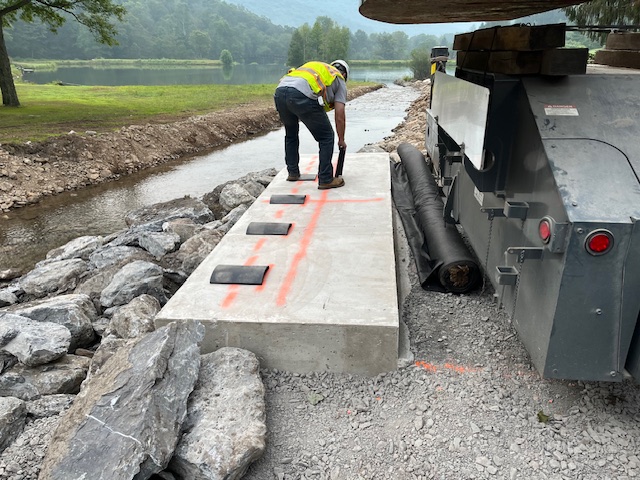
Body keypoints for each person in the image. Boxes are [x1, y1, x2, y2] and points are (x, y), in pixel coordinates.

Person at [273, 60, 349, 190]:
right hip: (300, 94)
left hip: (280, 93)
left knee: (291, 134)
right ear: (344, 74)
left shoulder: (318, 68)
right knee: (326, 137)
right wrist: (341, 139)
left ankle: (293, 172)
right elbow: (340, 115)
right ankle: (326, 179)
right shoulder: (338, 78)